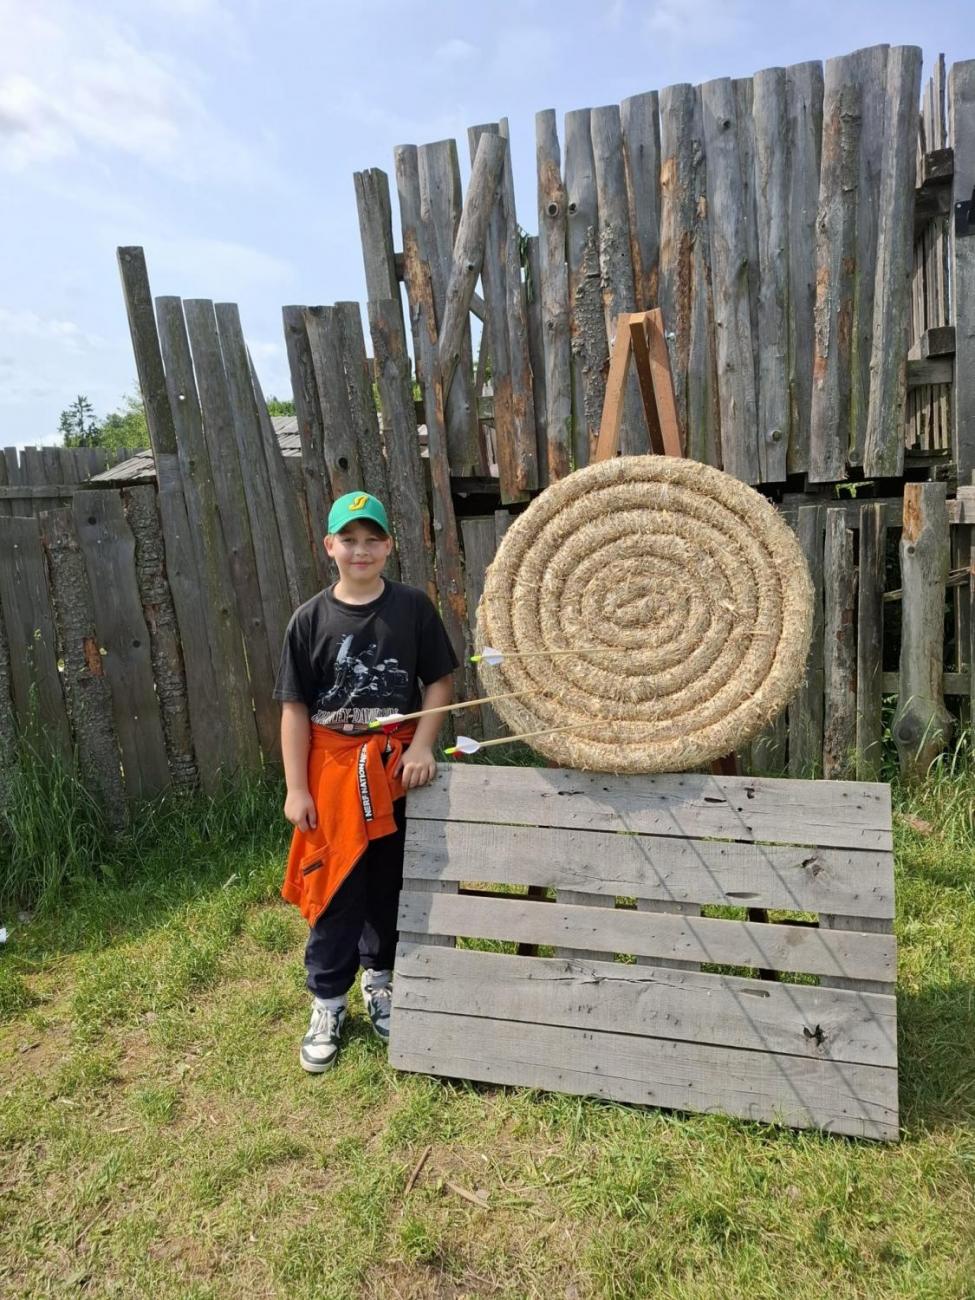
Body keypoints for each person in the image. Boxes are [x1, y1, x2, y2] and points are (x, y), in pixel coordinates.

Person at [273, 491, 457, 1073]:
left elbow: (439, 683)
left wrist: (423, 745)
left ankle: (380, 982)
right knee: (334, 886)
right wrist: (296, 788)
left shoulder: (412, 609)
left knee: (387, 882)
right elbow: (295, 709)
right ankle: (328, 1000)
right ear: (330, 546)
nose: (360, 550)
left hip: (393, 771)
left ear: (388, 546)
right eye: (348, 540)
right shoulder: (309, 620)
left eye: (372, 539)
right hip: (330, 776)